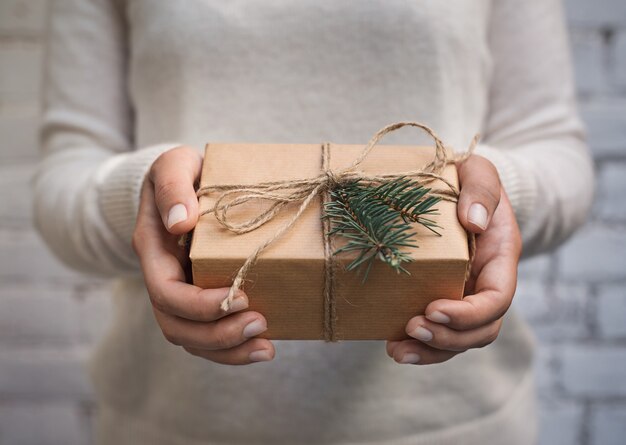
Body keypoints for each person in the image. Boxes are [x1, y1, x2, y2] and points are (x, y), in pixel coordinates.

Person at [34, 1, 593, 444]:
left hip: (453, 425)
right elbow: (63, 181)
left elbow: (557, 154)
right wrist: (144, 198)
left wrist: (494, 200)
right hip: (174, 424)